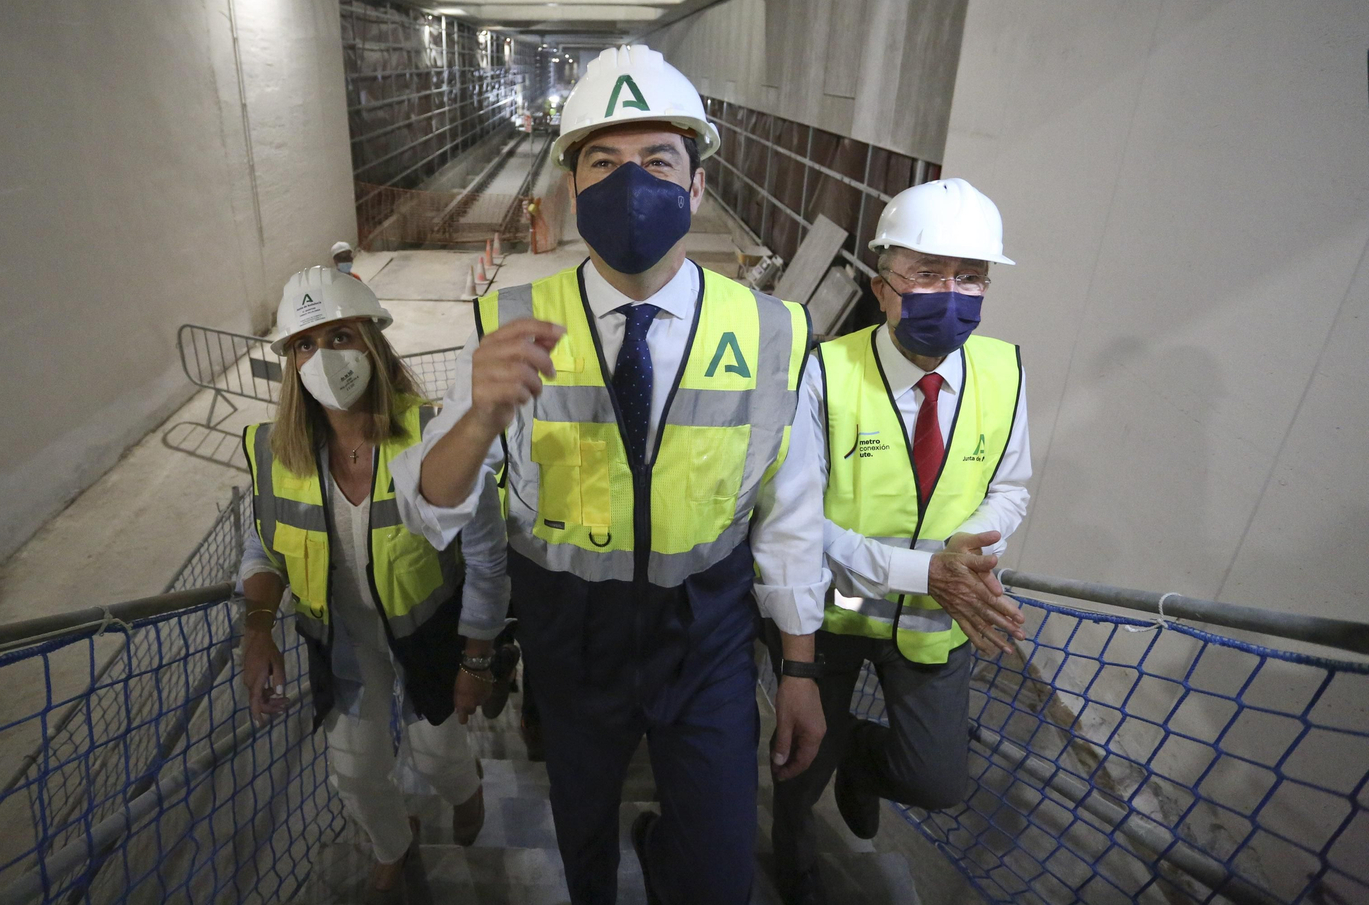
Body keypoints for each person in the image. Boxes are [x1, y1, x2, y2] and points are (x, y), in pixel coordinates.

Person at [391, 45, 1002, 905]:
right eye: (603, 162)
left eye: (657, 161)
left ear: (697, 188)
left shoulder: (770, 331)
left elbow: (786, 520)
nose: (629, 183)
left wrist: (796, 668)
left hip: (708, 648)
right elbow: (428, 510)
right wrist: (478, 419)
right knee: (584, 848)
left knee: (718, 876)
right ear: (569, 184)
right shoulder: (509, 320)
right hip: (573, 652)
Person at [769, 178, 1031, 905]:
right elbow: (795, 520)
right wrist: (924, 570)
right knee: (798, 760)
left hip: (933, 618)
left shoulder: (1005, 374)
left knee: (936, 781)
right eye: (926, 273)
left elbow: (1013, 487)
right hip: (831, 610)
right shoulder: (824, 373)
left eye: (970, 277)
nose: (950, 294)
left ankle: (859, 760)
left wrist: (976, 548)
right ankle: (793, 857)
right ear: (883, 285)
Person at [238, 265, 506, 904]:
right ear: (288, 362)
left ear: (374, 346)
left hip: (427, 635)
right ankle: (394, 844)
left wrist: (478, 659)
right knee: (354, 773)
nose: (324, 358)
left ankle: (465, 792)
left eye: (341, 337)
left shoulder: (437, 436)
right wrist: (255, 628)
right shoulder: (274, 451)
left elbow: (489, 560)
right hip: (343, 642)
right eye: (306, 343)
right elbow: (263, 545)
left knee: (439, 754)